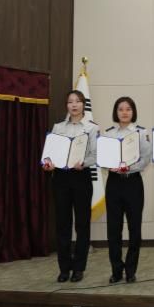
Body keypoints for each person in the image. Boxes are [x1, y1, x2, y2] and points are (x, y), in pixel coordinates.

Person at [42, 90, 98, 283]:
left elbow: (95, 155)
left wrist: (84, 163)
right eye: (70, 102)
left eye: (77, 101)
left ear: (83, 105)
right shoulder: (58, 127)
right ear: (66, 105)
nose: (74, 105)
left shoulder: (92, 128)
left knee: (82, 224)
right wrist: (48, 164)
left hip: (81, 177)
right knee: (62, 224)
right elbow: (50, 154)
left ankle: (79, 268)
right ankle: (64, 268)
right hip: (61, 178)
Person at [102, 96, 151, 283]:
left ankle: (131, 270)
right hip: (114, 183)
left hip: (133, 183)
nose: (124, 112)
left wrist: (129, 168)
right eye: (121, 109)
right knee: (113, 229)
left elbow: (145, 159)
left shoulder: (141, 133)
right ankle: (116, 271)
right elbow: (103, 158)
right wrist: (110, 165)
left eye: (128, 109)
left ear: (133, 112)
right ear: (116, 112)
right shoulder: (108, 134)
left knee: (134, 228)